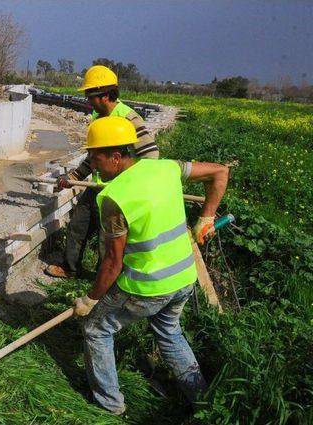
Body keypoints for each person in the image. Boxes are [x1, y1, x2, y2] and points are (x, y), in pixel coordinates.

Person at [72, 116, 229, 415]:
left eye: (95, 156)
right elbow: (220, 172)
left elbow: (113, 263)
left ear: (116, 157)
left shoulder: (114, 198)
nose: (92, 163)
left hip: (148, 286)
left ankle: (109, 405)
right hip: (183, 278)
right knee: (169, 333)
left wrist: (90, 299)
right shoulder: (166, 167)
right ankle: (204, 401)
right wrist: (206, 216)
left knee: (95, 329)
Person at [46, 65, 158, 279]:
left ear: (105, 95)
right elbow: (94, 158)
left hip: (119, 191)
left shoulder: (129, 119)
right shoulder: (98, 118)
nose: (88, 101)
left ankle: (103, 280)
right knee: (78, 224)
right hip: (98, 185)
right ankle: (70, 268)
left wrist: (129, 184)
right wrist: (74, 177)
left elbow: (151, 157)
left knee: (107, 239)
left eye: (91, 95)